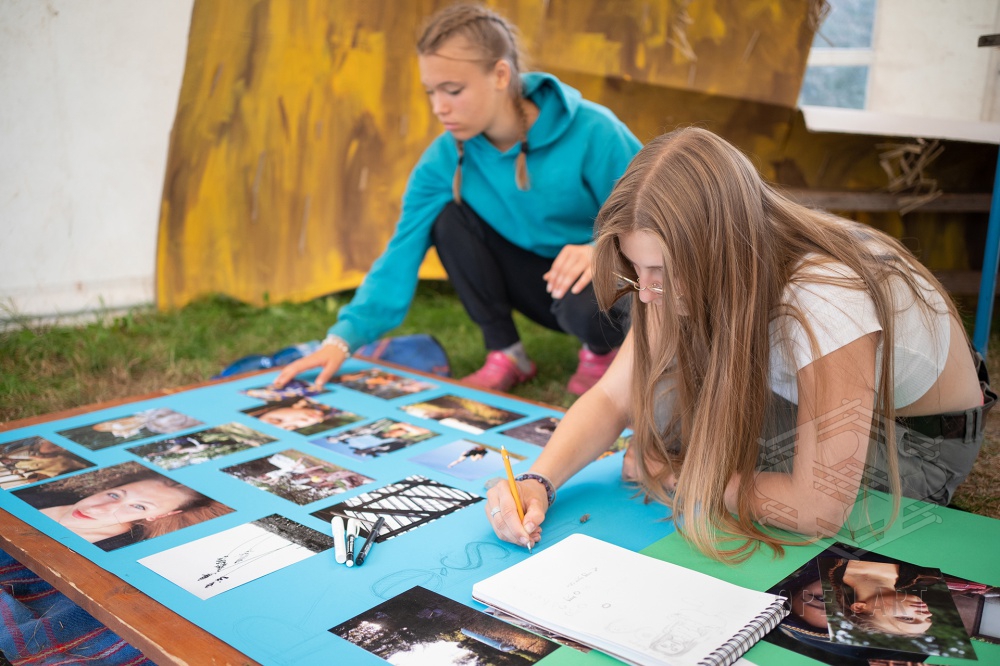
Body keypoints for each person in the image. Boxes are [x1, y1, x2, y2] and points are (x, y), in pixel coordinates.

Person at [485, 127, 995, 560]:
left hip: (915, 438)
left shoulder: (825, 296)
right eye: (636, 268)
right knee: (660, 406)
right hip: (814, 395)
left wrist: (679, 475)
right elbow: (614, 396)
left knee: (675, 439)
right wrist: (539, 481)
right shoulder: (697, 268)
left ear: (720, 246)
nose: (646, 292)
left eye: (660, 270)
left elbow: (818, 507)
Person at [274, 3, 639, 395]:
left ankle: (601, 350)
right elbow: (399, 254)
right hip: (538, 286)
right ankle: (506, 353)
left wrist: (600, 250)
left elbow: (659, 218)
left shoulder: (595, 130)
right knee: (446, 217)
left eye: (453, 90)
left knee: (594, 283)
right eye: (431, 92)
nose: (438, 107)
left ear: (500, 75)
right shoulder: (442, 159)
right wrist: (340, 340)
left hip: (608, 286)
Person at [39, 476, 218, 550]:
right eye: (114, 495)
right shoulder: (41, 494)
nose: (96, 509)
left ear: (161, 515)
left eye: (139, 507)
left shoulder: (115, 550)